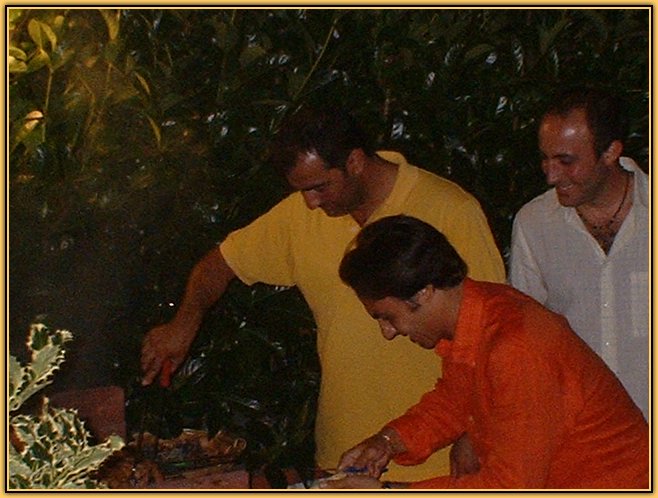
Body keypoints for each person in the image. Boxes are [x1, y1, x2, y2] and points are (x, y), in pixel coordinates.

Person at [140, 106, 506, 481]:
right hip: (344, 454)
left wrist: (473, 431)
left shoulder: (451, 209)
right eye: (302, 191)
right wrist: (183, 323)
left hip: (440, 459)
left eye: (319, 187)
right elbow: (218, 265)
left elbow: (492, 332)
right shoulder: (300, 215)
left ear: (355, 162)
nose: (311, 202)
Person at [326, 214, 648, 489]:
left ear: (423, 292)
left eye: (388, 317)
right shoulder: (479, 312)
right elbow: (455, 401)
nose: (388, 332)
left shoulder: (517, 345)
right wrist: (387, 442)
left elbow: (510, 487)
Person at [509, 87, 649, 419]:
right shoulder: (534, 223)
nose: (551, 174)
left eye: (566, 161)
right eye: (545, 158)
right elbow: (525, 338)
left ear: (611, 151)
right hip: (581, 435)